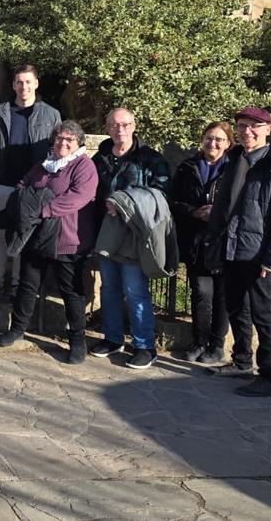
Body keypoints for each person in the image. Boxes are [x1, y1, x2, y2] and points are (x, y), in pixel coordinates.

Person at [206, 107, 271, 397]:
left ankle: (269, 376)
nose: (246, 131)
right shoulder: (236, 158)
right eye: (241, 126)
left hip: (259, 254)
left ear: (268, 129)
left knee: (263, 314)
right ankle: (241, 361)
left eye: (254, 126)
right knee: (237, 308)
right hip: (233, 248)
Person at [0, 121, 99, 363]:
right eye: (60, 138)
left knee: (71, 292)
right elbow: (23, 185)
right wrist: (24, 204)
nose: (63, 143)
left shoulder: (84, 166)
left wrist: (42, 209)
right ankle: (18, 328)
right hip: (37, 236)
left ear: (78, 143)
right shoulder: (45, 164)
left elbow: (78, 197)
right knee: (27, 285)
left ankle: (77, 340)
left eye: (69, 140)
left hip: (68, 239)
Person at [89, 107, 170, 369]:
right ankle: (113, 339)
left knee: (135, 291)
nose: (119, 129)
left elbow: (161, 193)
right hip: (106, 235)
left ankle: (144, 346)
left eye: (125, 124)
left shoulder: (150, 159)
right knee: (109, 289)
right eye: (114, 125)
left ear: (134, 126)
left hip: (135, 235)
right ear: (107, 127)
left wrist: (123, 203)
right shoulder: (100, 158)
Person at [0, 65, 61, 301]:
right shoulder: (2, 111)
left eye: (28, 82)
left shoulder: (51, 114)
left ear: (36, 84)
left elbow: (56, 151)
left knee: (25, 233)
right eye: (19, 82)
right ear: (13, 85)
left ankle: (18, 284)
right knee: (0, 234)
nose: (24, 87)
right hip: (5, 181)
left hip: (33, 187)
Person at [169, 121, 233, 364]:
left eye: (219, 139)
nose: (213, 143)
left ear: (228, 143)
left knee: (222, 297)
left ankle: (217, 345)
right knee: (201, 294)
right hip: (196, 241)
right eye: (209, 138)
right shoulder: (187, 167)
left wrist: (217, 212)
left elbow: (242, 203)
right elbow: (173, 201)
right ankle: (199, 342)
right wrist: (194, 212)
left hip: (224, 241)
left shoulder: (236, 168)